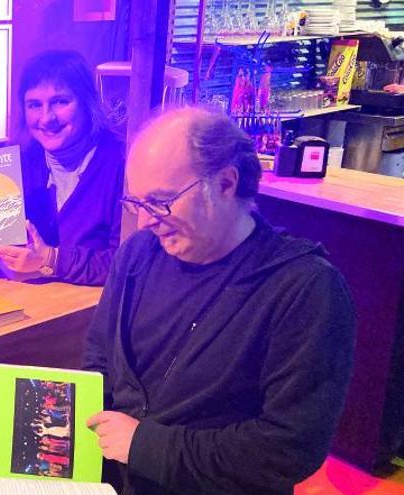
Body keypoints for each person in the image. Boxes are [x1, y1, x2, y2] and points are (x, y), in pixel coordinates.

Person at [83, 108, 356, 495]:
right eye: (137, 203)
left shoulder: (305, 289)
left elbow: (289, 448)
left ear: (226, 184)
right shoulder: (137, 255)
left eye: (160, 202)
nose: (145, 221)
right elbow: (99, 360)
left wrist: (146, 446)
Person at [0, 50, 125, 285]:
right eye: (34, 105)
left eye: (60, 102)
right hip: (34, 304)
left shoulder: (122, 165)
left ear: (87, 103)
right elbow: (12, 248)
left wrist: (51, 259)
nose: (46, 118)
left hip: (92, 311)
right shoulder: (23, 163)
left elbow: (126, 265)